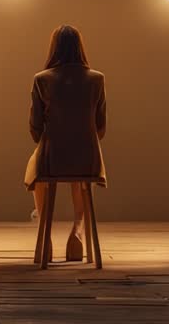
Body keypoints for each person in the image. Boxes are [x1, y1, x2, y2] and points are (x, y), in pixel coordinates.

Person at [24, 25, 108, 264]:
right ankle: (78, 232)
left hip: (52, 158)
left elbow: (35, 127)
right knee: (80, 164)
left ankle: (44, 231)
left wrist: (52, 141)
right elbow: (100, 126)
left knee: (38, 161)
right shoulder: (97, 80)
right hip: (87, 159)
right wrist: (81, 139)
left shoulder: (42, 80)